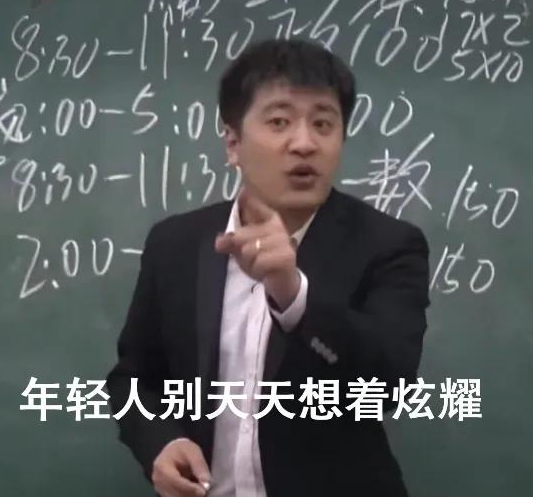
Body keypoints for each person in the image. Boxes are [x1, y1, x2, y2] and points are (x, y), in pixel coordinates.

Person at [106, 38, 430, 497]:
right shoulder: (176, 244)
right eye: (279, 122)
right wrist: (162, 442)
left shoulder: (389, 245)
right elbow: (134, 377)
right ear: (233, 142)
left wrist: (294, 295)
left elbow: (392, 385)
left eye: (323, 123)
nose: (305, 143)